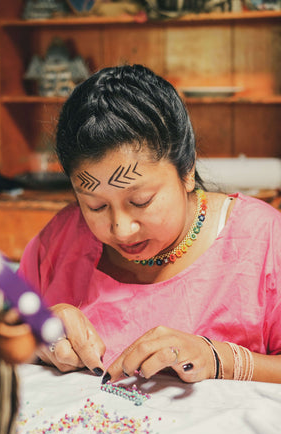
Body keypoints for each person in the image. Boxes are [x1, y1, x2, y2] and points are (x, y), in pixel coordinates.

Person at [18, 64, 281, 385]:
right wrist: (39, 331)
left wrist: (219, 358)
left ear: (186, 171)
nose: (121, 228)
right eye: (96, 206)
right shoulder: (61, 239)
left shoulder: (262, 239)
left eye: (140, 201)